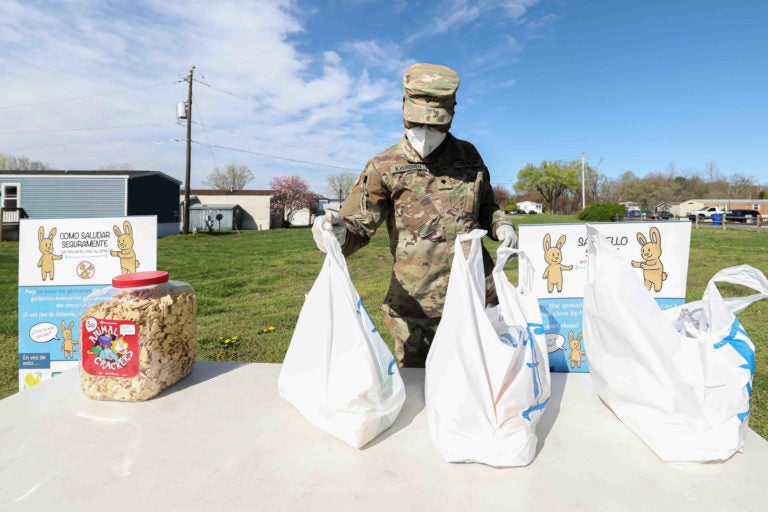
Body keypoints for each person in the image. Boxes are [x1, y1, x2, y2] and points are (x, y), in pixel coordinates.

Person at [312, 62, 517, 368]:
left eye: (436, 125)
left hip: (477, 299)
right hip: (415, 308)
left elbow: (486, 208)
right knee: (419, 395)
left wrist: (502, 226)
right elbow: (357, 227)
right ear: (404, 112)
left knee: (481, 384)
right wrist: (337, 233)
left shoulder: (469, 157)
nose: (425, 134)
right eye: (417, 123)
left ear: (451, 117)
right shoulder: (384, 165)